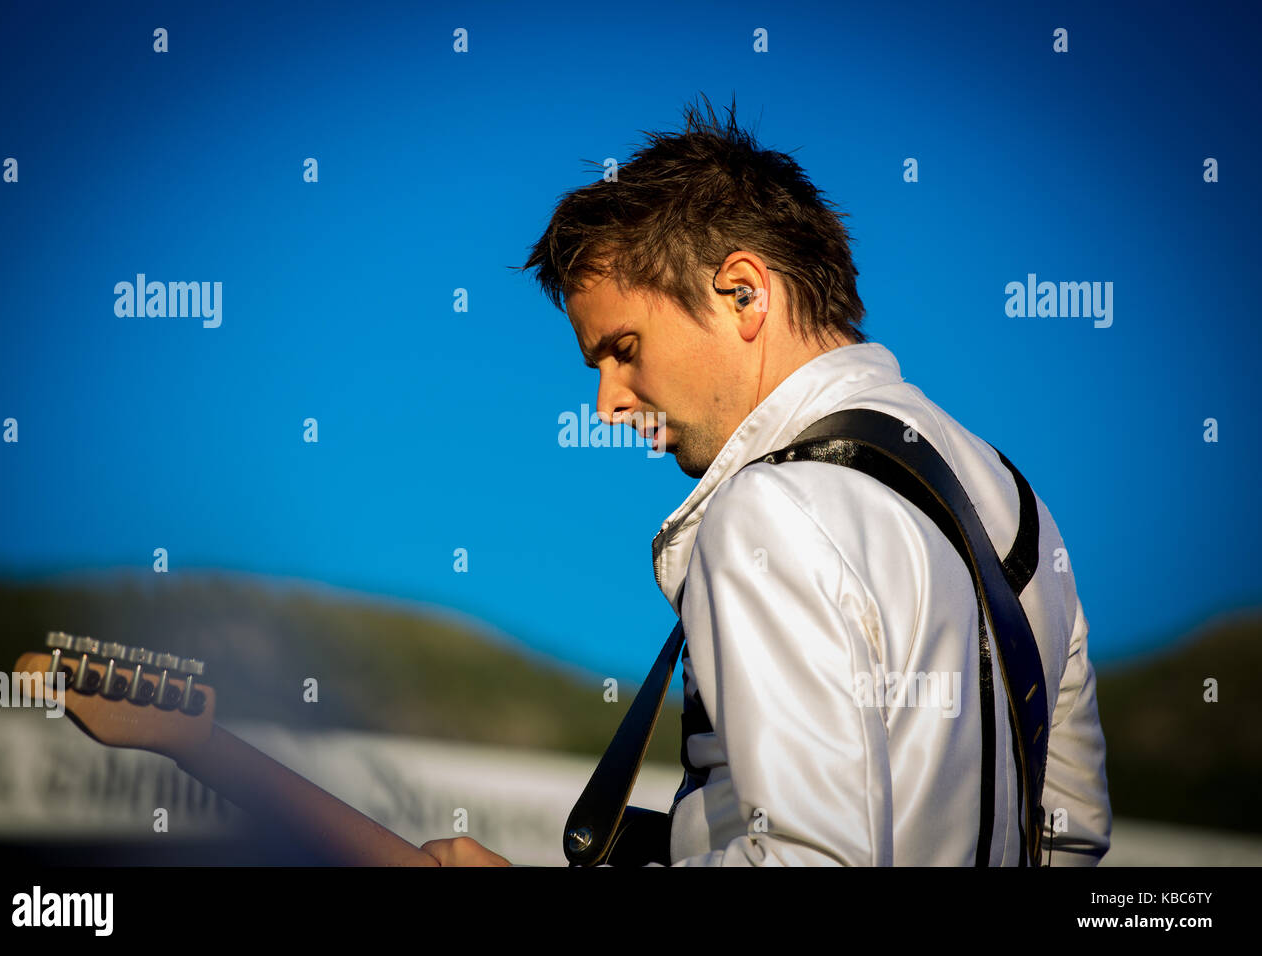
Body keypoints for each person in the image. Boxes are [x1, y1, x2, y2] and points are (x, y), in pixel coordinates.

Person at [425, 94, 1111, 867]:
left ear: (744, 293)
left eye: (623, 348)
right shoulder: (1022, 508)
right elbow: (1074, 835)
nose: (607, 402)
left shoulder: (770, 510)